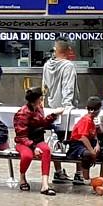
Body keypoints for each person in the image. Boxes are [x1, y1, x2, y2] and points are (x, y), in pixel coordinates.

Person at [13, 87, 64, 195]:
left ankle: (45, 184)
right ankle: (22, 177)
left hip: (38, 139)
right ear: (38, 98)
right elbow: (21, 135)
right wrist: (33, 147)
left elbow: (42, 123)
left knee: (46, 150)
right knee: (27, 156)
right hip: (23, 142)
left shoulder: (39, 108)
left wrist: (53, 115)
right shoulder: (22, 113)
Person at [43, 40, 77, 183]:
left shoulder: (46, 65)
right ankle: (79, 173)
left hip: (51, 109)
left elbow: (44, 86)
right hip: (66, 111)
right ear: (67, 50)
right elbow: (68, 87)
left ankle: (58, 172)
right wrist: (67, 106)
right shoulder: (68, 66)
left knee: (54, 140)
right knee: (77, 140)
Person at [67, 97, 103, 185]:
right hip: (78, 144)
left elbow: (94, 136)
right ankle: (87, 180)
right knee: (87, 155)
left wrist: (97, 145)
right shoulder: (86, 120)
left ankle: (102, 181)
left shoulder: (92, 120)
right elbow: (83, 137)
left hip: (91, 142)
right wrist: (92, 152)